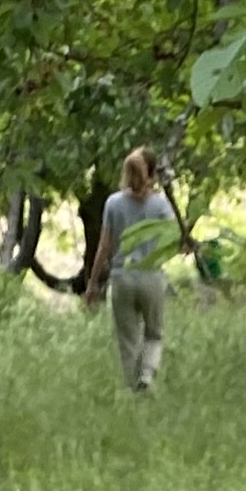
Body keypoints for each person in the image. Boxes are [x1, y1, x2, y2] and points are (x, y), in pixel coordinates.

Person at [90, 147, 181, 393]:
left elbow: (104, 246)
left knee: (128, 340)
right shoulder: (161, 205)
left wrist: (93, 283)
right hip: (151, 277)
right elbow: (176, 240)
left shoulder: (113, 203)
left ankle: (134, 392)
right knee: (154, 334)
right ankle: (147, 376)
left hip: (121, 279)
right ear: (151, 173)